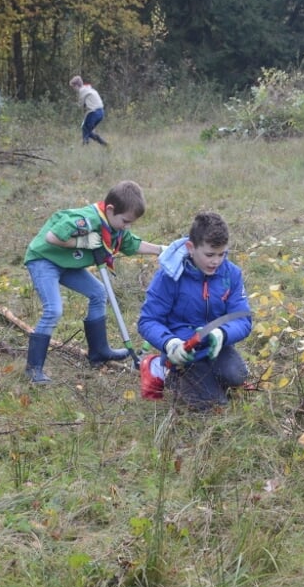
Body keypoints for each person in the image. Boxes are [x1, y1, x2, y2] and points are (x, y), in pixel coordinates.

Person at [23, 180, 163, 383]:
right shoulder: (86, 219)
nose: (128, 226)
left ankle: (99, 352)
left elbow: (131, 244)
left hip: (66, 264)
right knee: (54, 310)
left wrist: (163, 250)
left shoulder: (114, 227)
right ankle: (33, 369)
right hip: (44, 260)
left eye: (131, 223)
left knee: (98, 293)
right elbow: (52, 237)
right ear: (110, 209)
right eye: (125, 221)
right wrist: (81, 242)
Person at [137, 212, 253, 411]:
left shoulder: (231, 274)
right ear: (191, 248)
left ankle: (208, 374)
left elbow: (242, 318)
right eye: (209, 255)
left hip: (215, 346)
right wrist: (170, 343)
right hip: (183, 352)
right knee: (215, 406)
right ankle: (164, 370)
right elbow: (148, 321)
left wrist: (222, 333)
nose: (216, 261)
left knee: (237, 377)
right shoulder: (169, 276)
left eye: (222, 254)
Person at [69, 75, 107, 146]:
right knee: (88, 131)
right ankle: (104, 144)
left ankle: (85, 145)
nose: (74, 89)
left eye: (73, 87)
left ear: (77, 85)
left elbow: (80, 105)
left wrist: (73, 104)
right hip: (101, 112)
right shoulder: (89, 88)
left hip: (94, 112)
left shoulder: (82, 91)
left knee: (85, 128)